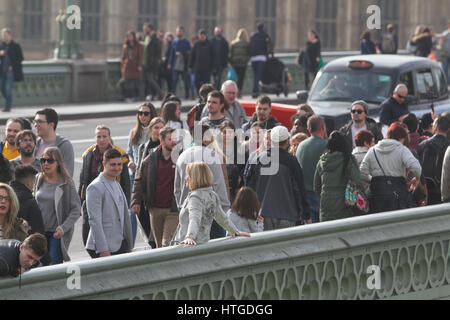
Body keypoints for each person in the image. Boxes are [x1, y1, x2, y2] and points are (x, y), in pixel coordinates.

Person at [174, 124, 230, 239]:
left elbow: (177, 190)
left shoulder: (181, 157)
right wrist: (225, 210)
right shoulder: (211, 155)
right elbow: (219, 185)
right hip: (211, 215)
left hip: (188, 212)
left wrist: (182, 208)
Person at [172, 162, 249, 246]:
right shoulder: (212, 195)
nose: (185, 178)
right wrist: (235, 231)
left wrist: (190, 237)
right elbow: (222, 218)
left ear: (195, 178)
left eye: (188, 175)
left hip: (186, 245)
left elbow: (195, 218)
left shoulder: (195, 197)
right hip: (202, 243)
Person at [79, 125, 131, 248]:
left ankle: (105, 250)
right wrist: (79, 202)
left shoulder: (120, 154)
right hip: (91, 198)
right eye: (98, 137)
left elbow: (125, 183)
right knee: (88, 233)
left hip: (111, 199)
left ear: (109, 137)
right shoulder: (88, 154)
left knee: (111, 233)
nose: (101, 139)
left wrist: (126, 204)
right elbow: (83, 180)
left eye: (104, 136)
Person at [253, 126, 311, 229]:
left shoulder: (259, 159)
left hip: (263, 213)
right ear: (287, 142)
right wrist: (305, 214)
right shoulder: (292, 161)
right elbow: (299, 189)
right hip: (288, 214)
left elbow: (250, 184)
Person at [131, 126, 179, 248]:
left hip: (173, 210)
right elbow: (139, 180)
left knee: (167, 244)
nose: (174, 142)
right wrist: (135, 201)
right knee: (159, 246)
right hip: (155, 209)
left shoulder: (181, 157)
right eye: (170, 139)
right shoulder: (150, 159)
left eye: (175, 139)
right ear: (161, 140)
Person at [360, 122, 422, 214]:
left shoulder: (372, 150)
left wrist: (373, 179)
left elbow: (362, 172)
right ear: (402, 138)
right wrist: (416, 179)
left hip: (377, 194)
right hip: (398, 193)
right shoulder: (402, 150)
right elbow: (416, 167)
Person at [34, 147, 80, 265]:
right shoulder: (38, 179)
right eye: (43, 160)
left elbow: (76, 210)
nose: (46, 163)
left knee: (53, 266)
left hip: (56, 234)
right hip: (40, 232)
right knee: (38, 266)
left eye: (50, 161)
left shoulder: (66, 182)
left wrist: (63, 228)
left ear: (58, 163)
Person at [86, 149, 133, 258]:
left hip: (120, 244)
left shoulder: (116, 183)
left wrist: (130, 245)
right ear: (104, 164)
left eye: (119, 164)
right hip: (104, 248)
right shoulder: (95, 187)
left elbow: (125, 216)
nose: (117, 168)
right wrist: (103, 249)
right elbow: (95, 221)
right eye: (113, 165)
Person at [314, 131, 364, 222]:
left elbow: (317, 187)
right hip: (344, 203)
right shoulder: (349, 160)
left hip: (326, 202)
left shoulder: (322, 161)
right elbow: (358, 182)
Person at [296, 115, 328, 223]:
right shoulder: (326, 145)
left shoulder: (300, 145)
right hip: (320, 194)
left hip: (304, 194)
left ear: (308, 129)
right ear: (323, 127)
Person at [417, 116, 450, 205]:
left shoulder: (421, 146)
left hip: (426, 191)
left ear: (435, 127)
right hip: (443, 191)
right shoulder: (448, 146)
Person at [33, 108, 75, 177]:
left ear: (51, 125)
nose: (35, 125)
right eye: (35, 121)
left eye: (39, 122)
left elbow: (67, 176)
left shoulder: (64, 146)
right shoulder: (34, 144)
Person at [10, 165, 44, 236]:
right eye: (34, 183)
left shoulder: (6, 198)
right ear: (28, 183)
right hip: (24, 244)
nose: (34, 186)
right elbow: (37, 231)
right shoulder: (31, 203)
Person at [219, 121, 245, 203]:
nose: (227, 135)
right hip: (219, 184)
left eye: (230, 132)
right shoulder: (215, 149)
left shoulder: (240, 149)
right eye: (224, 132)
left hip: (234, 187)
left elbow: (243, 168)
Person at [0, 28, 23, 112]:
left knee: (8, 88)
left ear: (10, 35)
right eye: (3, 35)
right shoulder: (1, 45)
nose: (4, 37)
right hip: (2, 70)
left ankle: (7, 106)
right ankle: (8, 102)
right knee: (2, 88)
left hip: (10, 71)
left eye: (6, 35)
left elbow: (20, 58)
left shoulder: (16, 46)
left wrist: (12, 66)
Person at [168, 26, 191, 100]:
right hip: (175, 64)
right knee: (174, 80)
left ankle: (187, 95)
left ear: (183, 32)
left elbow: (189, 53)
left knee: (185, 80)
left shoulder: (186, 42)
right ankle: (173, 96)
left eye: (180, 31)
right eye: (178, 31)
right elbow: (171, 53)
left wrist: (183, 55)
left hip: (184, 64)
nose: (179, 33)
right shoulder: (174, 42)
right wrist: (169, 63)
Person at [120, 30, 143, 102]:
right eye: (128, 36)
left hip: (135, 66)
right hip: (127, 66)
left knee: (135, 82)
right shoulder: (125, 46)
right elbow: (123, 57)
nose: (129, 38)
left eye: (130, 36)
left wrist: (139, 65)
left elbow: (140, 56)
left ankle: (135, 97)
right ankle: (127, 96)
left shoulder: (138, 45)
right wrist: (122, 65)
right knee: (127, 82)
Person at [142, 23, 163, 101]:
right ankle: (151, 94)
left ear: (149, 29)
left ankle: (160, 93)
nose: (144, 30)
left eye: (145, 28)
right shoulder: (146, 37)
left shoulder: (155, 39)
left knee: (151, 80)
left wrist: (155, 62)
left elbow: (158, 52)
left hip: (152, 64)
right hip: (145, 63)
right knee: (147, 80)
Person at [249, 23, 271, 98]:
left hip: (253, 58)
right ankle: (256, 91)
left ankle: (255, 90)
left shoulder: (253, 35)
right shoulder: (265, 35)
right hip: (261, 58)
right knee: (258, 75)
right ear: (263, 28)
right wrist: (269, 55)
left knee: (255, 75)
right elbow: (269, 46)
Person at [229, 29, 250, 97]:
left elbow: (230, 54)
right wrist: (246, 60)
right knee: (241, 78)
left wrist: (231, 62)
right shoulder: (247, 44)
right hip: (243, 63)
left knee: (236, 78)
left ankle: (233, 92)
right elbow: (249, 54)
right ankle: (239, 92)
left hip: (235, 63)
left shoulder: (233, 43)